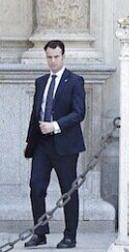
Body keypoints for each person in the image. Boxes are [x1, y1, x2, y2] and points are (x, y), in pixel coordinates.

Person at [24, 40, 85, 250]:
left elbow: (79, 113)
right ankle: (40, 233)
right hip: (42, 144)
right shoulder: (41, 81)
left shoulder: (75, 81)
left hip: (65, 144)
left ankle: (70, 236)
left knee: (68, 191)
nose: (52, 61)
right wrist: (29, 142)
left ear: (63, 56)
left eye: (56, 57)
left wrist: (55, 126)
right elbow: (36, 113)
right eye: (49, 57)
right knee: (36, 187)